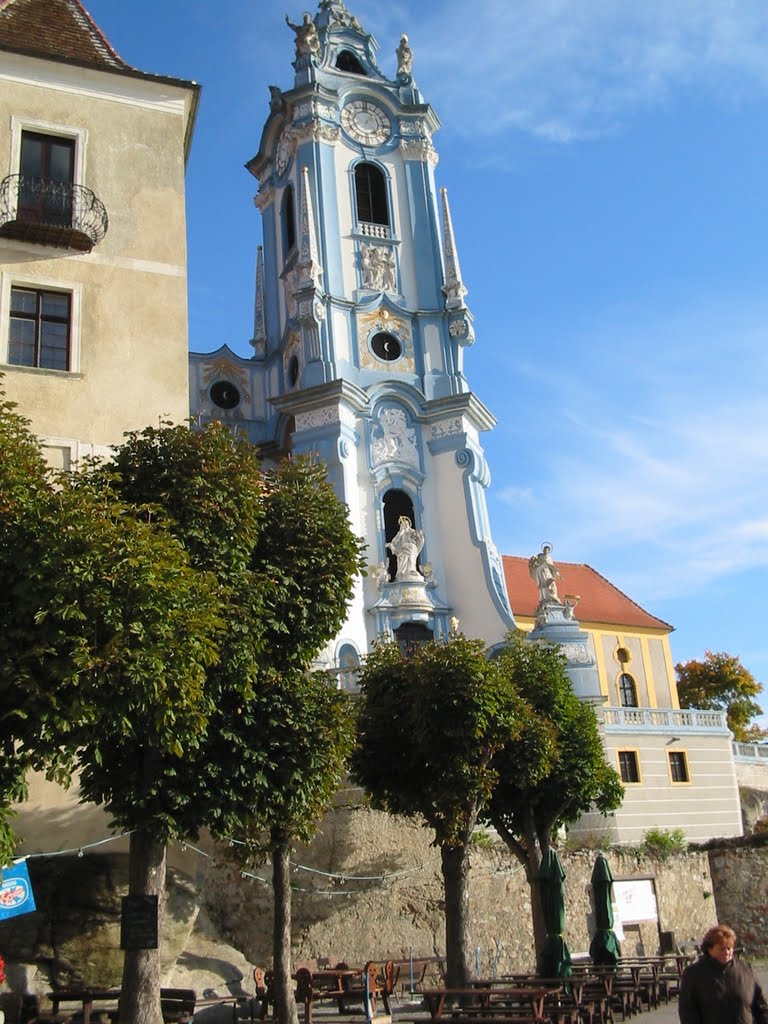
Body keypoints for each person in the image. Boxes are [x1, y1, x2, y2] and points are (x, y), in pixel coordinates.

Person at [679, 924, 768, 1024]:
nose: (727, 952)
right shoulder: (694, 974)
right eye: (722, 949)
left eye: (729, 948)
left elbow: (760, 1005)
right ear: (709, 949)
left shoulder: (745, 969)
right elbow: (687, 1011)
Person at [387, 515, 424, 580]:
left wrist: (418, 534)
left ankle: (412, 570)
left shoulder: (412, 531)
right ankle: (403, 573)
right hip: (404, 549)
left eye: (406, 524)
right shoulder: (401, 533)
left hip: (412, 548)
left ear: (408, 524)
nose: (405, 526)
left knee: (411, 559)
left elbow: (417, 536)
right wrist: (392, 544)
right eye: (403, 524)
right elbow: (395, 540)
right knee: (404, 560)